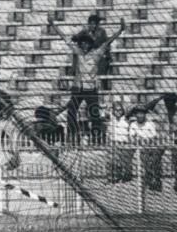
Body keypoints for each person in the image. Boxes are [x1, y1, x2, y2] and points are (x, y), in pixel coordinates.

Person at [48, 14, 125, 142]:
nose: (84, 45)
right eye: (82, 43)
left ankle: (96, 138)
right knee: (71, 112)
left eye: (86, 43)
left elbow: (107, 42)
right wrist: (53, 25)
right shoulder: (77, 52)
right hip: (78, 87)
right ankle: (72, 136)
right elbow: (64, 38)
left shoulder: (96, 54)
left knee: (94, 114)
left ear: (90, 44)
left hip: (91, 88)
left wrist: (120, 30)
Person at [72, 14, 110, 89]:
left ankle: (103, 84)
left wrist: (88, 36)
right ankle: (74, 74)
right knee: (76, 54)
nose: (93, 26)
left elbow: (97, 43)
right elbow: (74, 39)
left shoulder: (101, 31)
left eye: (94, 23)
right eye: (91, 23)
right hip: (89, 53)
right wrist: (80, 34)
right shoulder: (86, 30)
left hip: (99, 53)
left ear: (97, 24)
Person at [107, 101, 133, 183]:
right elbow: (108, 133)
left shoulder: (126, 120)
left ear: (122, 111)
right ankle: (114, 176)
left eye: (120, 110)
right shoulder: (111, 121)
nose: (118, 112)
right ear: (113, 111)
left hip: (124, 142)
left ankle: (126, 176)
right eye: (116, 110)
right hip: (114, 142)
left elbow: (129, 132)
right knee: (114, 160)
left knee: (125, 161)